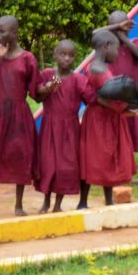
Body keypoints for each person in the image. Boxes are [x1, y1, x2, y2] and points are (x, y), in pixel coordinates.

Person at [0, 15, 38, 217]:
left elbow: (35, 92)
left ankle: (18, 205)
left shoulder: (28, 58)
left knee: (20, 154)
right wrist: (0, 58)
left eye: (2, 31)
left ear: (14, 33)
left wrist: (55, 82)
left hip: (19, 114)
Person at [79, 28, 136, 207]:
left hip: (104, 118)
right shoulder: (98, 69)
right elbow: (110, 97)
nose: (118, 54)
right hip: (101, 120)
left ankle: (106, 200)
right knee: (95, 158)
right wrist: (131, 108)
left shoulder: (97, 66)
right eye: (116, 49)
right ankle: (83, 202)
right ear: (106, 46)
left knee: (105, 158)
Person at [34, 39, 88, 213]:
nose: (66, 58)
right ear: (55, 55)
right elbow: (37, 96)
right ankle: (46, 201)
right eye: (63, 54)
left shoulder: (78, 79)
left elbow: (90, 99)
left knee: (65, 166)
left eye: (71, 55)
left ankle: (58, 204)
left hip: (70, 129)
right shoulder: (48, 74)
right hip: (50, 127)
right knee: (48, 164)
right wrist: (49, 88)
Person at [107, 9, 138, 164]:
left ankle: (129, 165)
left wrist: (123, 38)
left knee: (131, 131)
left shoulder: (135, 44)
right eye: (116, 29)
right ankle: (117, 163)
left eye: (123, 28)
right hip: (115, 98)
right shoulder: (108, 49)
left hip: (132, 96)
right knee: (116, 132)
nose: (120, 32)